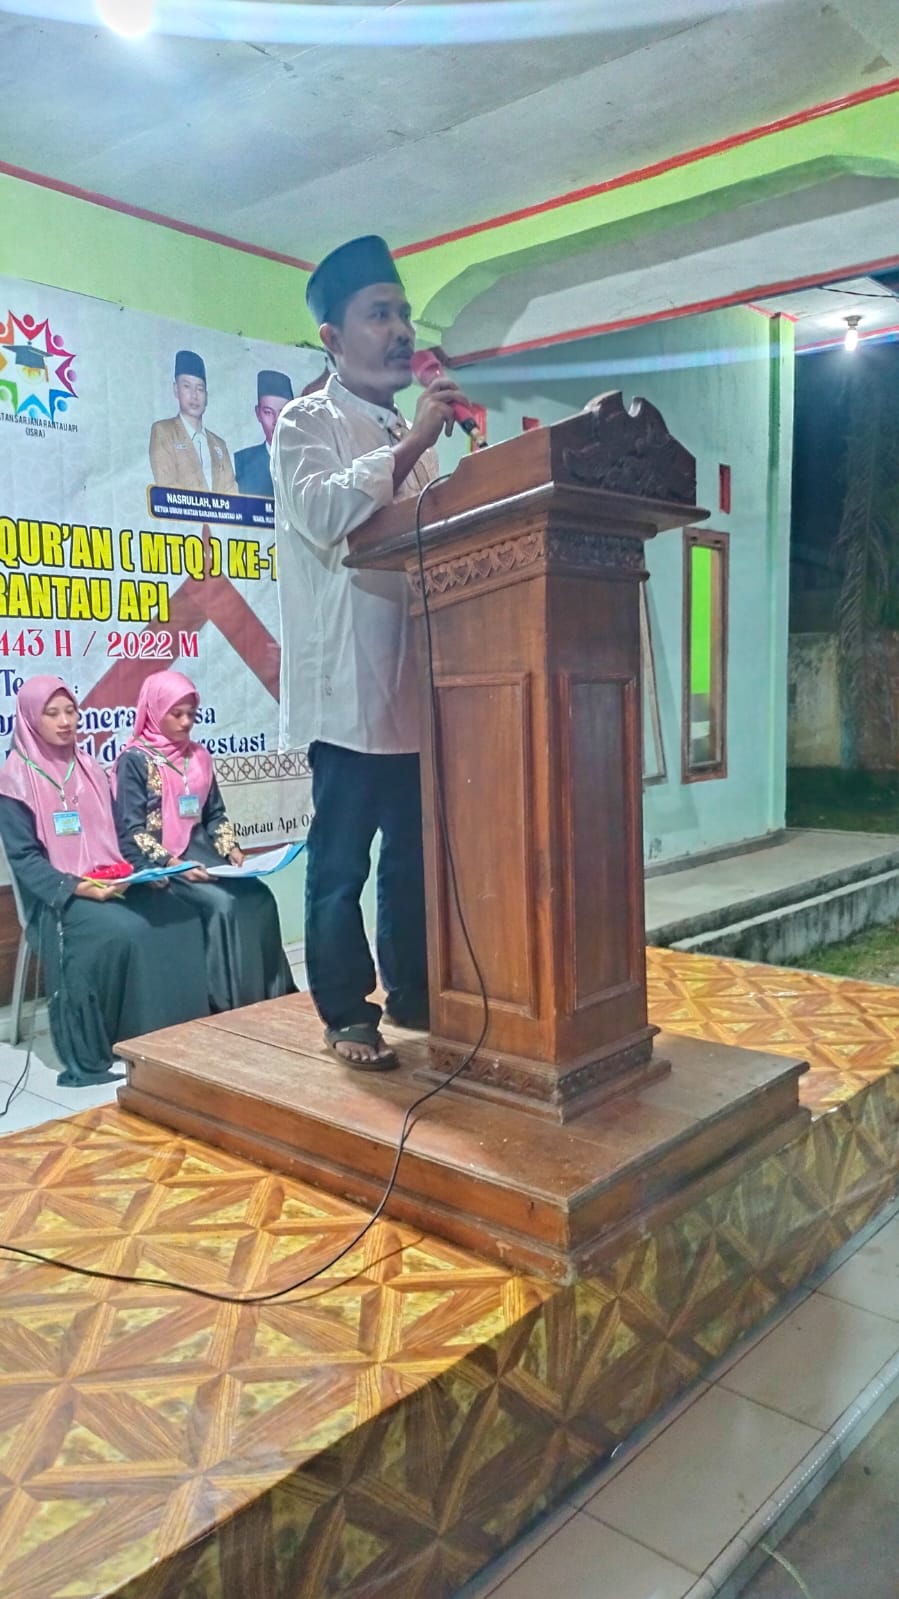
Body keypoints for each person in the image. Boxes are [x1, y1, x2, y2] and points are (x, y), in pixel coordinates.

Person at [271, 233, 469, 1070]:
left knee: (412, 857)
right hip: (347, 688)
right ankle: (346, 1012)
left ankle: (415, 992)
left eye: (403, 314)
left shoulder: (401, 430)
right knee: (340, 865)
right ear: (332, 337)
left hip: (415, 682)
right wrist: (416, 444)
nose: (400, 331)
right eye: (379, 314)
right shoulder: (305, 422)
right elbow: (322, 514)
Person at [0, 676, 210, 1087]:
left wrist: (143, 872)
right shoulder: (14, 781)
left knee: (180, 917)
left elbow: (119, 836)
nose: (65, 722)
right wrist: (78, 888)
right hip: (59, 899)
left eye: (71, 711)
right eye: (52, 713)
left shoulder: (89, 767)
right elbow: (25, 861)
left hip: (112, 880)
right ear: (29, 719)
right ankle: (129, 1040)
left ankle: (177, 1038)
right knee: (127, 931)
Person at [113, 670, 295, 1012]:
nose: (186, 723)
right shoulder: (133, 761)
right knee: (223, 906)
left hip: (204, 854)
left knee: (260, 898)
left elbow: (214, 814)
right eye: (176, 714)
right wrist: (174, 865)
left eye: (191, 715)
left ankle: (270, 1000)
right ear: (154, 710)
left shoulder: (199, 756)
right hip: (161, 863)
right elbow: (131, 830)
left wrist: (232, 850)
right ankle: (229, 1007)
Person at [149, 350, 238, 492]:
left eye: (200, 389)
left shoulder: (219, 444)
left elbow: (231, 491)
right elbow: (167, 485)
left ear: (206, 396)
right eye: (187, 386)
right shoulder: (163, 431)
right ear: (176, 389)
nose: (194, 395)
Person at [235, 370, 294, 495]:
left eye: (283, 413)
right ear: (258, 414)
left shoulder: (305, 460)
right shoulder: (243, 461)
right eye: (268, 412)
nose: (276, 421)